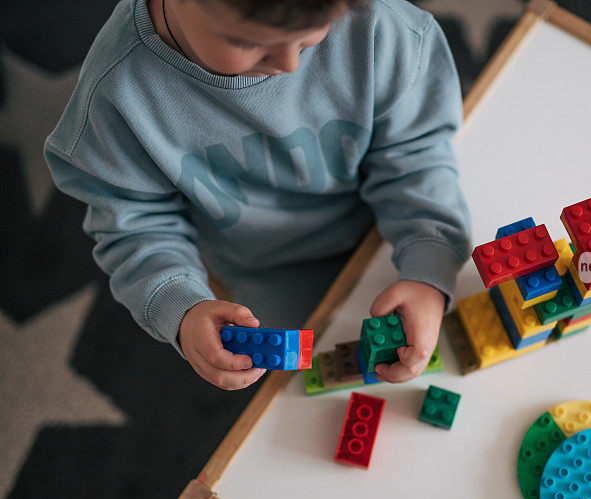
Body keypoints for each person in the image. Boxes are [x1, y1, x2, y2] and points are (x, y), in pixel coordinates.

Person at [44, 0, 471, 390]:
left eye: (313, 32)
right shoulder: (117, 94)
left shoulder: (378, 27)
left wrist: (429, 263)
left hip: (387, 235)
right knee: (297, 391)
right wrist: (182, 306)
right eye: (248, 42)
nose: (288, 63)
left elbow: (416, 152)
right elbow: (134, 226)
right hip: (267, 271)